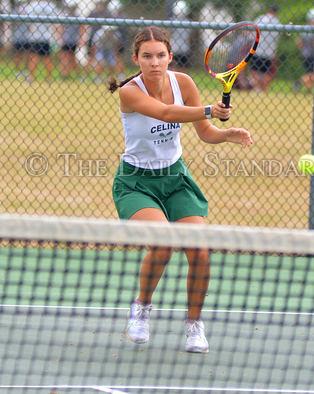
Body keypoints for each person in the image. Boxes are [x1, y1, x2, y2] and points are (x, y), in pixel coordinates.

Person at [107, 26, 253, 353]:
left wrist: (225, 134)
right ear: (136, 59)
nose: (155, 62)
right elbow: (166, 113)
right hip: (136, 182)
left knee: (199, 250)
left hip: (176, 179)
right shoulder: (129, 91)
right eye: (147, 56)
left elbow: (205, 132)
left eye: (161, 55)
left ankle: (194, 324)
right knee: (163, 244)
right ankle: (142, 307)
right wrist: (207, 110)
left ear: (170, 57)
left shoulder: (183, 83)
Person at [25, 0, 58, 83]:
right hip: (47, 36)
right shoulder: (51, 6)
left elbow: (28, 22)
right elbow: (55, 23)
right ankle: (48, 78)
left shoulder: (32, 6)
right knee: (47, 57)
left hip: (34, 35)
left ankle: (31, 77)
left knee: (33, 56)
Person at [250, 4, 282, 92]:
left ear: (268, 10)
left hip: (257, 49)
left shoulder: (261, 18)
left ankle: (257, 88)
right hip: (270, 51)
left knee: (255, 70)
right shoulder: (277, 22)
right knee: (266, 72)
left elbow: (253, 33)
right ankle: (264, 89)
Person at [57, 0, 82, 79]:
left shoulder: (78, 16)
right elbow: (59, 28)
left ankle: (77, 74)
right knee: (64, 56)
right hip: (65, 40)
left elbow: (82, 28)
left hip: (74, 40)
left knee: (71, 57)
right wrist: (60, 38)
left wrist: (81, 38)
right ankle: (64, 74)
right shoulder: (64, 16)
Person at [295, 8, 314, 92]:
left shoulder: (306, 28)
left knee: (311, 72)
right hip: (312, 54)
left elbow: (299, 43)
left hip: (305, 53)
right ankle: (299, 82)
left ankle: (307, 89)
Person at [169, 0, 194, 73]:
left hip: (174, 48)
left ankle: (172, 82)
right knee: (183, 67)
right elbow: (191, 37)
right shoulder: (189, 22)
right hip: (184, 49)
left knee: (172, 67)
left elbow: (168, 34)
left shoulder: (172, 21)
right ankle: (183, 82)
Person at [12, 0, 31, 79]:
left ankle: (25, 70)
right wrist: (21, 14)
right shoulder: (15, 11)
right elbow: (16, 22)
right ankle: (17, 71)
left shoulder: (30, 10)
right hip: (17, 36)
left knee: (28, 54)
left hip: (27, 36)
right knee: (18, 54)